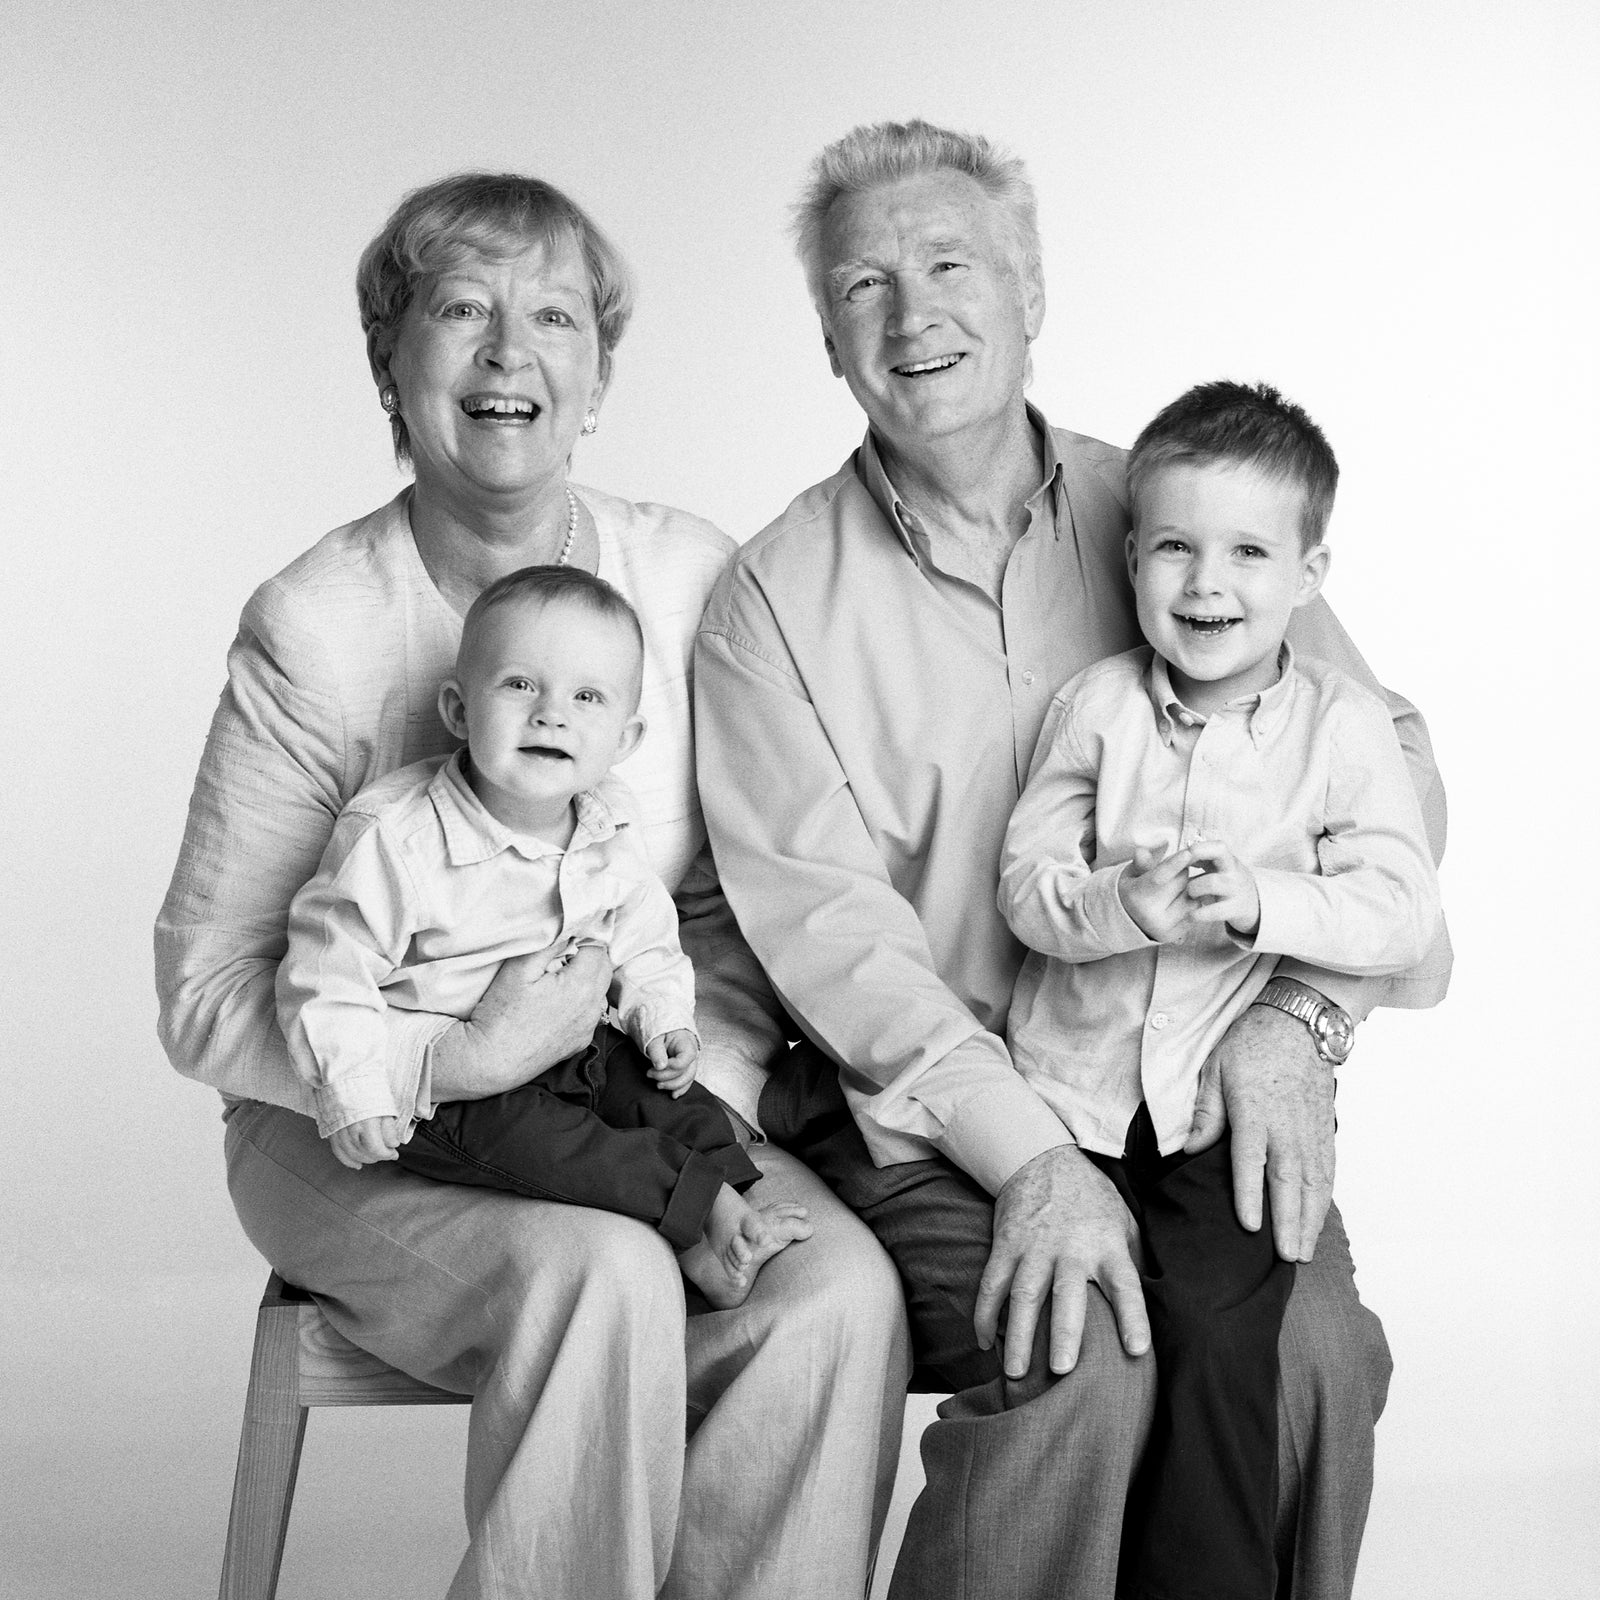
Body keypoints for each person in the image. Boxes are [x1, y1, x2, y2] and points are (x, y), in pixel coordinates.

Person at [694, 120, 1451, 1600]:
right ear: (827, 336)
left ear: (1033, 291)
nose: (914, 316)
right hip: (931, 1109)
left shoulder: (1180, 513)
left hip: (1184, 1084)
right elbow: (839, 949)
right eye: (864, 286)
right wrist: (1033, 1157)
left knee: (1320, 1360)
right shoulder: (769, 605)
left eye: (952, 264)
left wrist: (1302, 1020)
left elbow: (1389, 769)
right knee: (1085, 1351)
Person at [155, 171, 908, 1600]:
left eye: (554, 315)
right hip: (354, 1132)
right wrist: (455, 1058)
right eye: (462, 311)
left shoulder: (686, 576)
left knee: (836, 1293)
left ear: (600, 373)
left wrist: (683, 1079)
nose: (512, 353)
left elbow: (746, 889)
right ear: (392, 361)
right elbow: (203, 1002)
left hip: (622, 1103)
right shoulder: (316, 630)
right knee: (604, 1278)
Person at [997, 379, 1443, 1599]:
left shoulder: (1342, 726)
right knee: (1089, 1349)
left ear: (1308, 571)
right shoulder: (1091, 709)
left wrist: (1264, 903)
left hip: (1211, 1116)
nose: (1208, 584)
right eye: (1176, 548)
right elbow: (1025, 888)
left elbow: (1403, 909)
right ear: (1131, 555)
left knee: (1219, 1340)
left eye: (1249, 551)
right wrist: (1118, 908)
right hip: (1070, 1105)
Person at [277, 565, 812, 1308]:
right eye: (520, 685)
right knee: (567, 1152)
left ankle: (719, 1224)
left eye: (586, 697)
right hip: (456, 1089)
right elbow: (325, 977)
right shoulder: (396, 839)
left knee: (681, 1103)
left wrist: (662, 1019)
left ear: (623, 737)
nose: (550, 715)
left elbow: (646, 937)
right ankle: (707, 1217)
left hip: (579, 1046)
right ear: (460, 710)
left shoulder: (608, 820)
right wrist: (357, 1091)